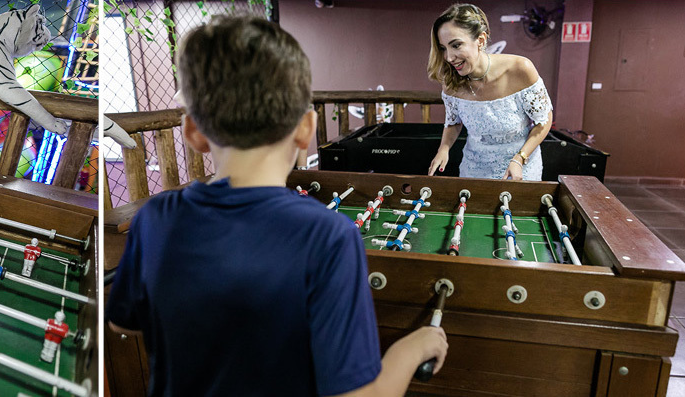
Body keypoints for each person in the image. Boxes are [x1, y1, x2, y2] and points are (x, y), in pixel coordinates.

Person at [106, 14, 448, 396]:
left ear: (193, 134)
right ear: (306, 129)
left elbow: (124, 324)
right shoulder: (330, 236)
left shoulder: (156, 217)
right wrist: (413, 347)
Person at [426, 3, 553, 180]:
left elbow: (543, 121)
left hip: (521, 166)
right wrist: (444, 149)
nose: (448, 57)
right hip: (474, 169)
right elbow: (454, 122)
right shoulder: (450, 82)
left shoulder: (521, 69)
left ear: (481, 40)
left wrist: (520, 158)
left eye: (456, 45)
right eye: (443, 48)